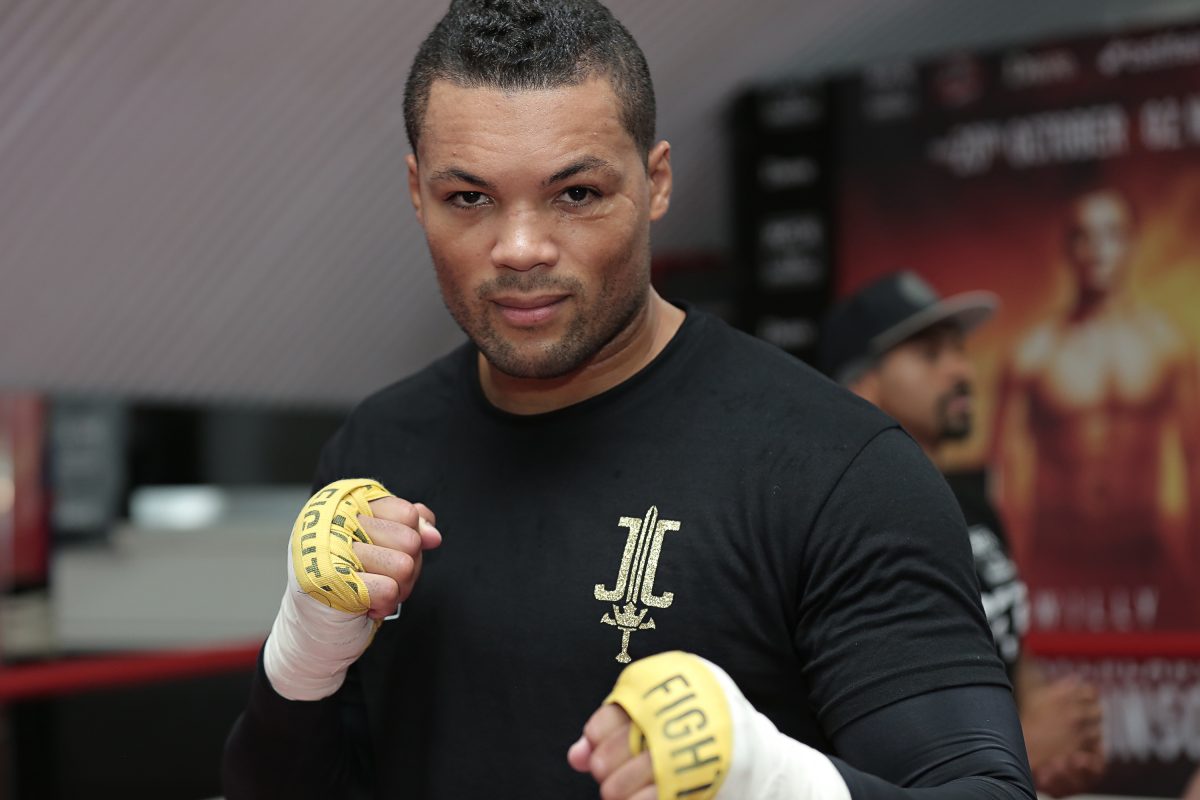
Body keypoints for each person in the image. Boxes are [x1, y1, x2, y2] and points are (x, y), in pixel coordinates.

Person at [222, 3, 1035, 798]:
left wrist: (775, 783)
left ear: (656, 183)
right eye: (469, 198)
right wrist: (303, 654)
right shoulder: (376, 448)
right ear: (416, 192)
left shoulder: (838, 471)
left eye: (575, 193)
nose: (520, 248)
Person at [817, 270, 1106, 796]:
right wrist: (1026, 750)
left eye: (959, 351)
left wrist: (1053, 736)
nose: (961, 370)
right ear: (864, 384)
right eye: (931, 355)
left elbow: (1010, 648)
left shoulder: (974, 505)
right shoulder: (841, 528)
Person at [992, 186, 1200, 631]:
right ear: (1068, 249)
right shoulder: (1033, 353)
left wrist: (1193, 567)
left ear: (1132, 243)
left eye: (1111, 234)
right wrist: (1010, 574)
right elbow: (1003, 479)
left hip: (1146, 556)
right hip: (1055, 560)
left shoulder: (1167, 345)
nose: (1097, 249)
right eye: (1083, 236)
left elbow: (1194, 459)